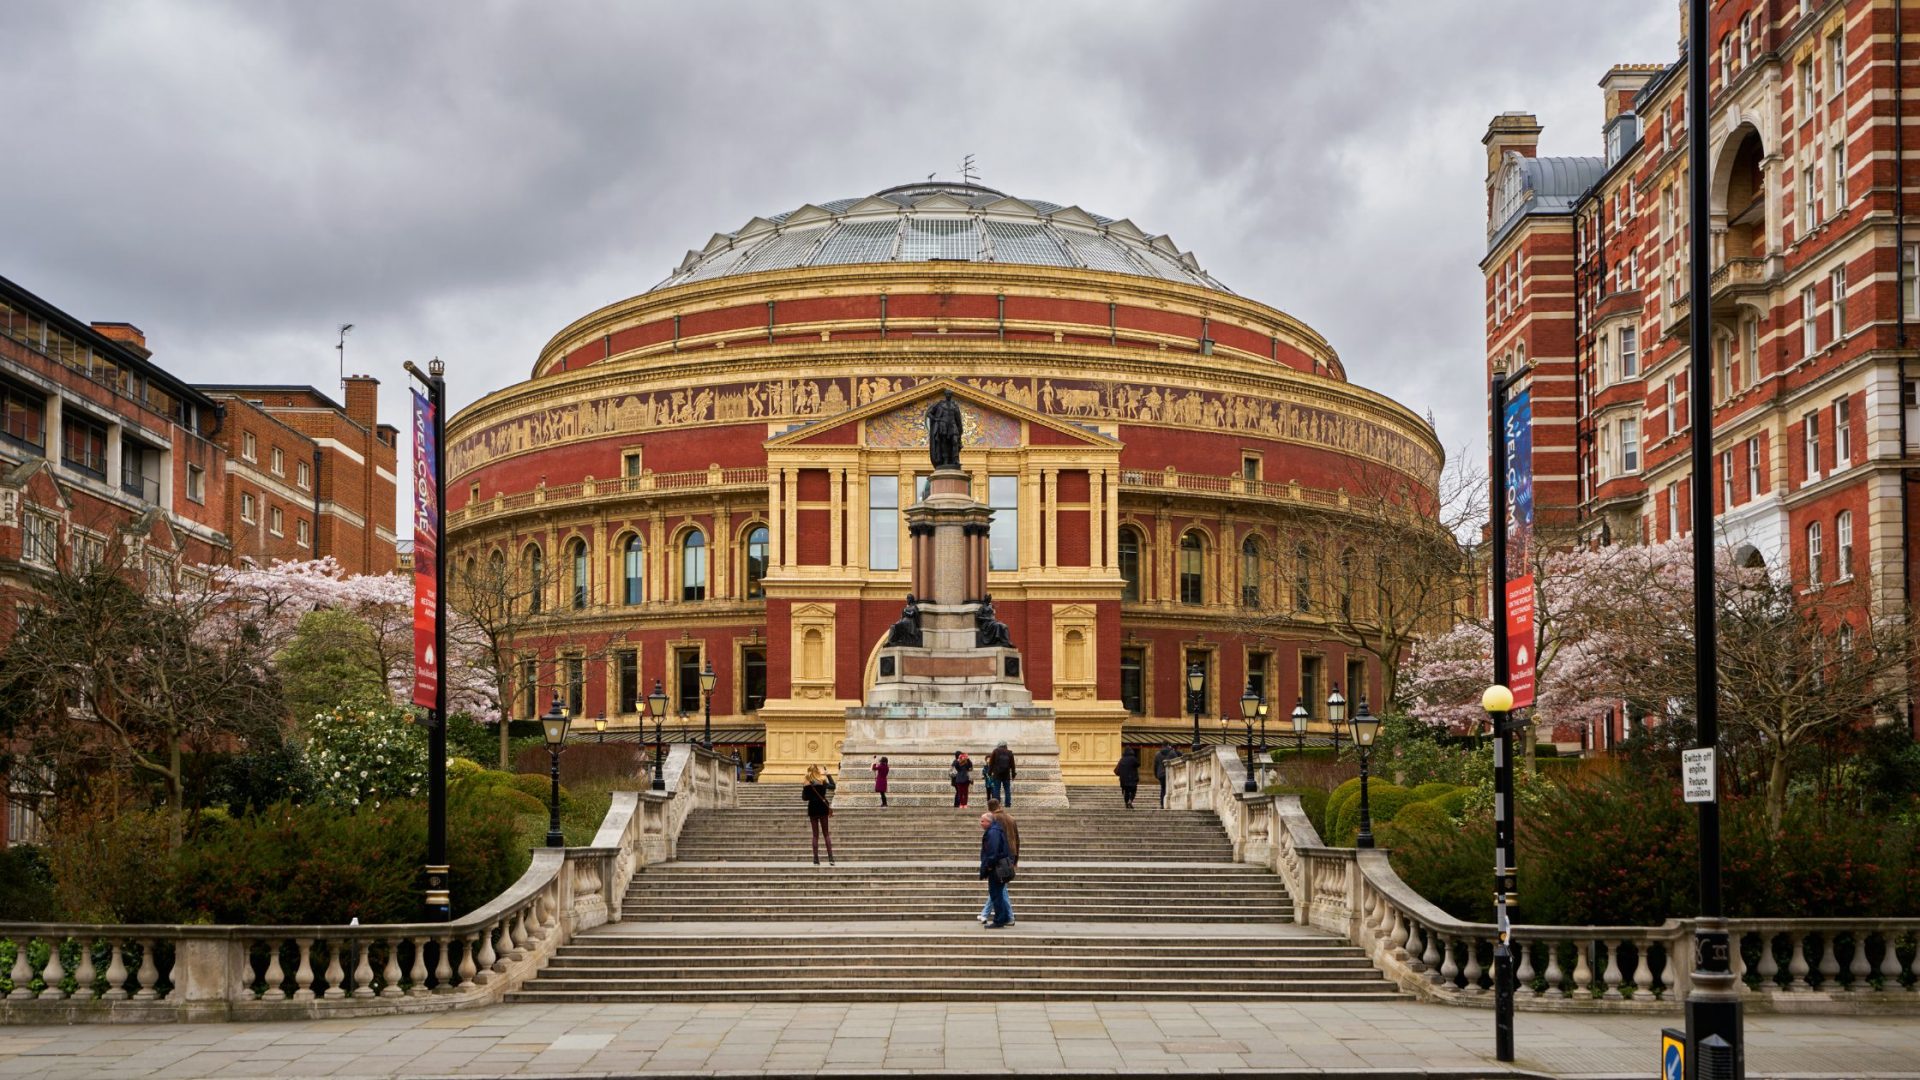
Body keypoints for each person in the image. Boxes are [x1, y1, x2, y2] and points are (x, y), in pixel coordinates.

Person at [977, 798, 1018, 924]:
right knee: (1000, 888)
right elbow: (1017, 839)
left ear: (989, 808)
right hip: (1009, 855)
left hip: (999, 859)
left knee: (998, 889)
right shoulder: (1010, 818)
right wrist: (1016, 858)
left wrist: (988, 865)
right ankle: (1003, 916)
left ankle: (1006, 917)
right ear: (999, 805)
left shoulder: (994, 821)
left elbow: (994, 847)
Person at [803, 764, 836, 865]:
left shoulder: (806, 783)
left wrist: (807, 790)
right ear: (817, 771)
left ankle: (816, 859)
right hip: (822, 808)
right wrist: (828, 775)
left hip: (813, 808)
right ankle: (831, 859)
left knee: (815, 835)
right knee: (826, 834)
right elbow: (833, 786)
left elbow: (804, 798)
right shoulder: (823, 781)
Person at [985, 741, 1016, 806]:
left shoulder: (995, 751)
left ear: (998, 745)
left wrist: (989, 773)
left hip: (997, 774)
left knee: (996, 790)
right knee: (1007, 790)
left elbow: (991, 763)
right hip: (1006, 774)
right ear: (1006, 745)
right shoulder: (1010, 753)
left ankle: (997, 805)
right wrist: (1013, 775)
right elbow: (1013, 765)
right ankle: (1007, 804)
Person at [1154, 744, 1181, 809]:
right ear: (1168, 745)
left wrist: (1156, 774)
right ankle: (1169, 803)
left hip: (1160, 774)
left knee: (1163, 788)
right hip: (1170, 773)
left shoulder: (1157, 754)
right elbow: (1177, 762)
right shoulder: (1172, 753)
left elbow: (1155, 766)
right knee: (1169, 788)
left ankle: (1162, 803)